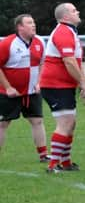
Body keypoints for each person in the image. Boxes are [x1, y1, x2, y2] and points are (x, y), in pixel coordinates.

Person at [39, 3, 85, 173]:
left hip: (63, 85)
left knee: (70, 123)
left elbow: (76, 61)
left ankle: (66, 162)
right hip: (55, 85)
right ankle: (53, 164)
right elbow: (68, 62)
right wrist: (83, 83)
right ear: (65, 16)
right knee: (65, 123)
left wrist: (81, 82)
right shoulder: (62, 32)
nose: (78, 12)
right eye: (74, 10)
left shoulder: (70, 31)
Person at [0, 14, 48, 162]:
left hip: (31, 92)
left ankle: (43, 155)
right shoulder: (7, 43)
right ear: (20, 27)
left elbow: (42, 63)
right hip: (9, 93)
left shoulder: (40, 41)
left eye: (33, 22)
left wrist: (39, 82)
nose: (33, 25)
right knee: (3, 123)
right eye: (29, 23)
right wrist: (8, 87)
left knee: (37, 121)